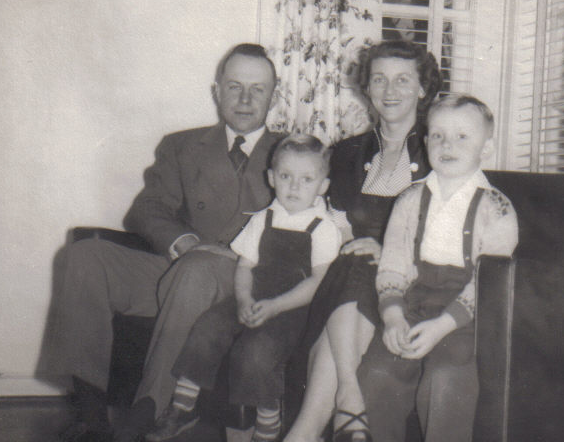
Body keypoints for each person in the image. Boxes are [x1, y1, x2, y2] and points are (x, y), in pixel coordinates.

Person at [39, 43, 283, 442]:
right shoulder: (181, 146)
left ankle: (152, 408)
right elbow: (147, 208)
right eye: (234, 86)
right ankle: (90, 414)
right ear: (216, 91)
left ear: (275, 95)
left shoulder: (293, 153)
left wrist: (224, 258)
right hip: (180, 271)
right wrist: (185, 243)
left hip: (244, 285)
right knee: (85, 256)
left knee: (199, 269)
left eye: (258, 89)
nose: (245, 99)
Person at [284, 39, 441, 442]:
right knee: (354, 259)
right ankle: (347, 404)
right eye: (380, 79)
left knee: (361, 262)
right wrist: (352, 244)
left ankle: (317, 422)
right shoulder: (346, 152)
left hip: (410, 278)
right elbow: (333, 221)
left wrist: (388, 253)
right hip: (347, 277)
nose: (390, 90)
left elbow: (447, 231)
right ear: (367, 88)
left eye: (403, 80)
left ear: (423, 88)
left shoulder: (439, 150)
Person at [143, 134, 342, 442]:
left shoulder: (324, 228)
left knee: (256, 352)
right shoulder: (262, 219)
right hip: (253, 294)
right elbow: (245, 266)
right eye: (286, 176)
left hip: (294, 308)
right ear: (271, 178)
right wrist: (243, 297)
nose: (294, 187)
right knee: (208, 326)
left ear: (323, 186)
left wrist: (276, 306)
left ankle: (267, 425)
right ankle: (182, 407)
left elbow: (318, 282)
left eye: (306, 179)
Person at [357, 95, 519, 442]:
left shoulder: (497, 208)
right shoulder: (408, 199)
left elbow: (489, 283)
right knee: (377, 373)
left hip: (466, 317)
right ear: (426, 141)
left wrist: (442, 326)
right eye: (438, 135)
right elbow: (393, 262)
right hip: (412, 303)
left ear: (486, 148)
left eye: (462, 136)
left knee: (445, 382)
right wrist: (393, 317)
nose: (447, 145)